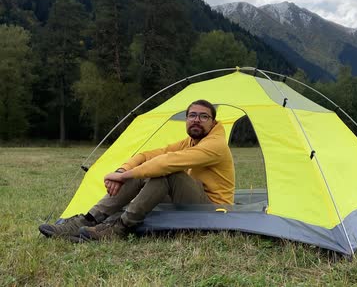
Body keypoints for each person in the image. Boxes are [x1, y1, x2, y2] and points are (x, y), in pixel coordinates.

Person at [39, 99, 235, 241]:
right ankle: (88, 220)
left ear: (213, 122)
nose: (196, 120)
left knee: (166, 173)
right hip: (189, 198)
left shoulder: (216, 145)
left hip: (213, 208)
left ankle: (121, 228)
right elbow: (148, 155)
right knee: (149, 173)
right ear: (186, 120)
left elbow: (168, 162)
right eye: (192, 115)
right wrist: (122, 170)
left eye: (203, 116)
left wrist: (124, 176)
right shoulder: (189, 141)